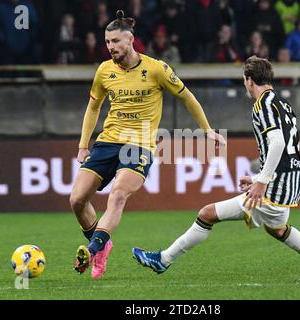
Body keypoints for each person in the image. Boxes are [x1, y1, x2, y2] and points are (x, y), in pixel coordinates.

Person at [133, 56, 300, 282]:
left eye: (244, 80)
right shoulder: (282, 103)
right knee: (277, 229)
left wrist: (262, 181)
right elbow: (285, 146)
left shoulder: (264, 104)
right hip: (291, 178)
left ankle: (163, 259)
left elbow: (278, 142)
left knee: (206, 214)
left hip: (277, 185)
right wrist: (259, 177)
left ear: (249, 80)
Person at [70, 10, 226, 279]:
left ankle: (94, 248)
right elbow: (93, 107)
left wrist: (207, 130)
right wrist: (84, 145)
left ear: (130, 40)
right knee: (76, 200)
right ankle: (103, 244)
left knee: (118, 194)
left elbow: (188, 97)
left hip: (139, 146)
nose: (111, 47)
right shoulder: (104, 70)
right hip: (107, 142)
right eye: (107, 42)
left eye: (116, 41)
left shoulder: (156, 69)